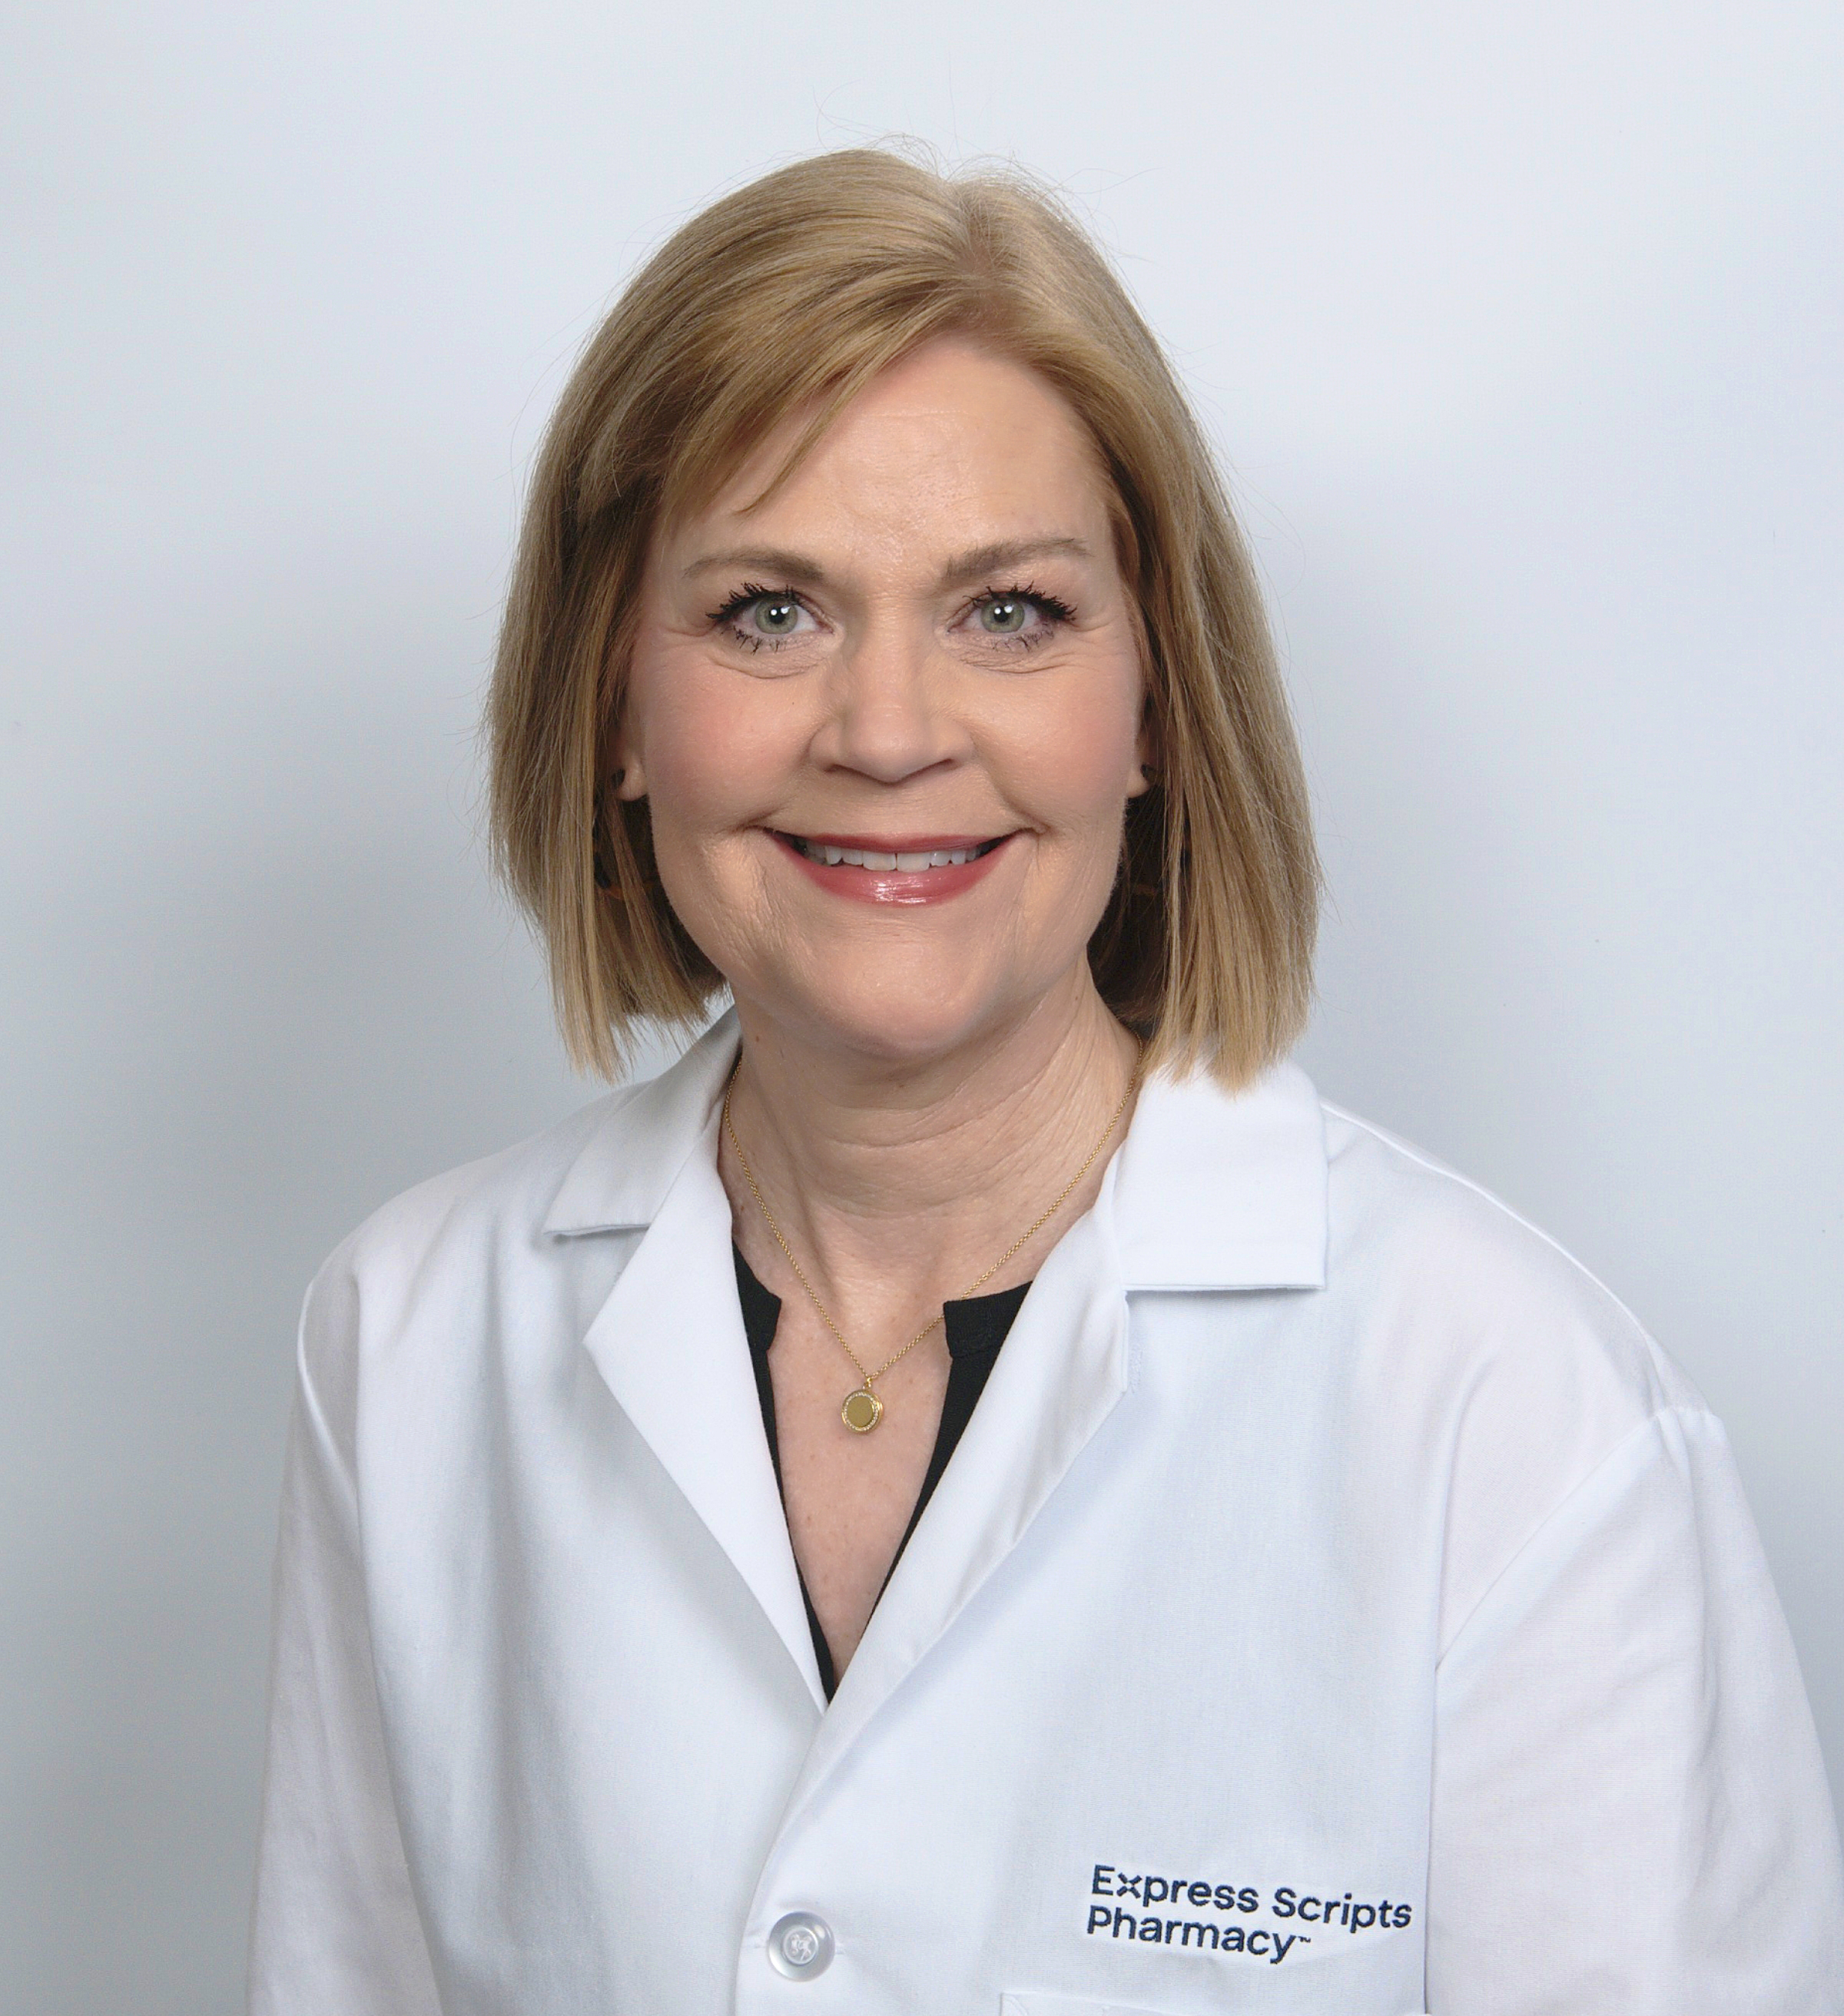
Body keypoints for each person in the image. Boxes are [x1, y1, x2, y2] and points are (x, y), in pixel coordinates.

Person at [248, 150, 1843, 2015]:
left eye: (1007, 610)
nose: (893, 731)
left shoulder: (1508, 1412)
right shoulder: (408, 1339)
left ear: (1156, 703)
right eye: (772, 608)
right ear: (612, 704)